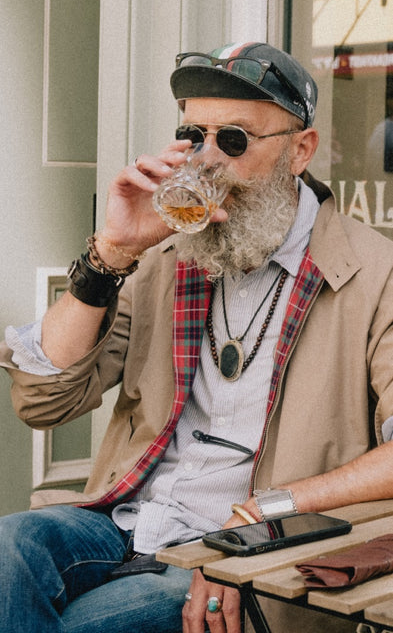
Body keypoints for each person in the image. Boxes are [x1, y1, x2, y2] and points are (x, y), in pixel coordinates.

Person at [2, 41, 393, 633]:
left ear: (299, 150)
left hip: (256, 548)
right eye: (193, 137)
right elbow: (44, 400)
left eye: (233, 140)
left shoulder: (373, 271)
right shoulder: (166, 257)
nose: (206, 160)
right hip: (132, 520)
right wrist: (113, 252)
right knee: (7, 548)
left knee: (83, 624)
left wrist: (259, 523)